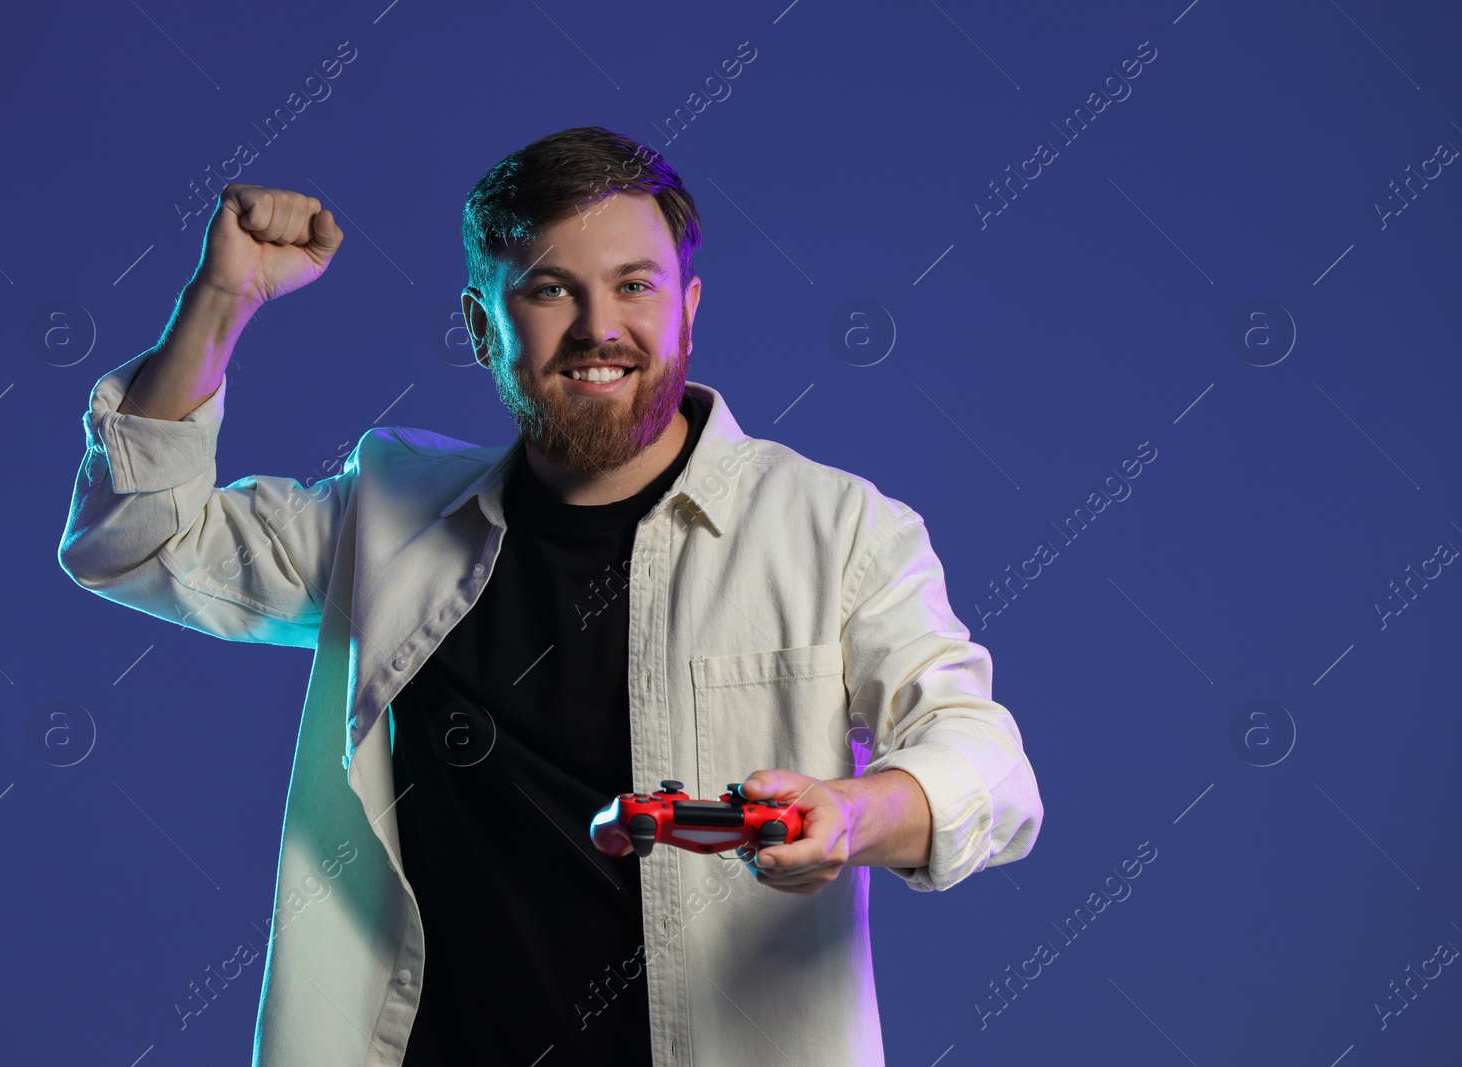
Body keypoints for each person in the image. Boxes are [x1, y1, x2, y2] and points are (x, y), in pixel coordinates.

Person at [58, 125, 1042, 1066]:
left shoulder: (838, 529)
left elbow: (986, 766)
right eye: (548, 290)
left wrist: (851, 811)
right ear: (484, 326)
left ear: (689, 308)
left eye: (633, 286)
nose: (598, 327)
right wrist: (220, 300)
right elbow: (137, 541)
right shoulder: (387, 514)